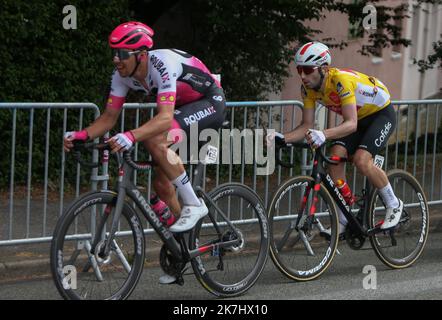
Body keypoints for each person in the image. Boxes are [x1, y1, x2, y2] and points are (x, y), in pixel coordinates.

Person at [64, 22, 225, 235]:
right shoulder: (121, 76)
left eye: (121, 53)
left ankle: (194, 205)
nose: (115, 59)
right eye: (114, 53)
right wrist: (82, 135)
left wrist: (131, 136)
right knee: (162, 185)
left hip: (210, 101)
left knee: (155, 140)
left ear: (140, 54)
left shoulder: (161, 64)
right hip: (183, 108)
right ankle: (187, 243)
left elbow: (165, 118)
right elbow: (109, 117)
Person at [268, 41, 403, 237]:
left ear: (323, 68)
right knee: (334, 159)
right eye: (299, 69)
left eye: (307, 69)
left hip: (380, 115)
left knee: (361, 160)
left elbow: (351, 124)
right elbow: (306, 125)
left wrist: (323, 134)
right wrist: (283, 138)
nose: (303, 76)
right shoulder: (308, 89)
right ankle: (343, 219)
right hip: (359, 119)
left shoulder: (340, 80)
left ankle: (394, 204)